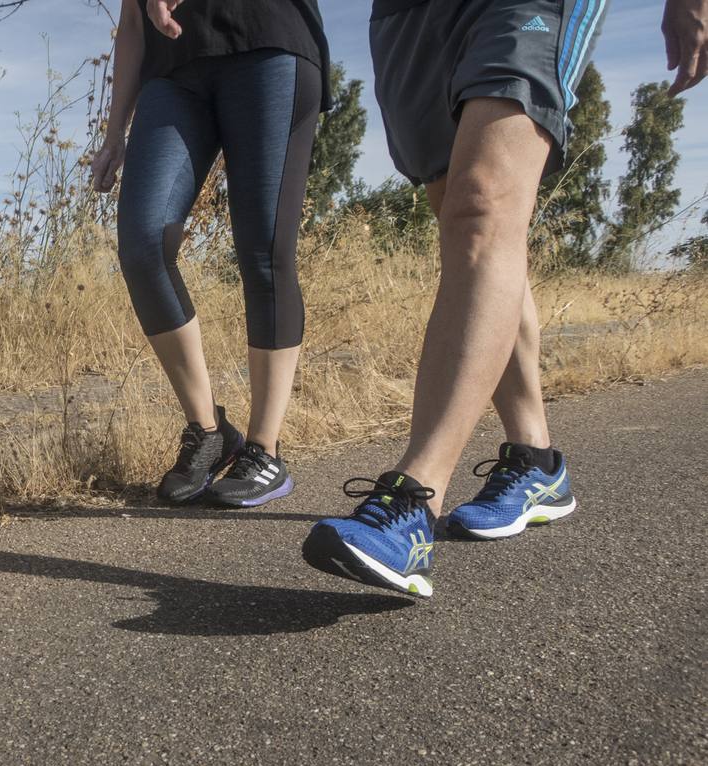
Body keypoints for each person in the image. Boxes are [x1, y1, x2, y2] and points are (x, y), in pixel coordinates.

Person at [302, 0, 708, 596]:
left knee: (482, 206)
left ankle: (416, 499)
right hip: (407, 16)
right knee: (466, 231)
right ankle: (535, 460)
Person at [89, 0, 332, 508]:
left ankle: (265, 449)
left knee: (263, 251)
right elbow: (134, 21)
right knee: (143, 245)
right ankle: (208, 429)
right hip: (172, 73)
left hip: (269, 43)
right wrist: (115, 131)